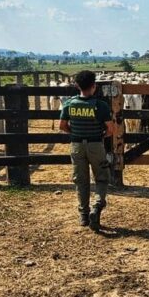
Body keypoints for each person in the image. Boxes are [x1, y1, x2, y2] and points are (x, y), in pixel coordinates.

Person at [59, 70, 115, 231]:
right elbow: (110, 129)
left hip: (76, 146)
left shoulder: (69, 104)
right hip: (96, 145)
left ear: (77, 86)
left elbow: (62, 126)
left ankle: (84, 215)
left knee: (81, 180)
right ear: (94, 86)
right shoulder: (100, 106)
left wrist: (75, 133)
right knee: (102, 178)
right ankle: (97, 207)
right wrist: (100, 135)